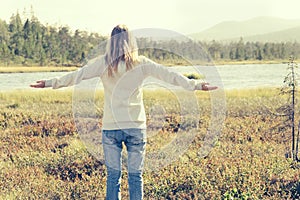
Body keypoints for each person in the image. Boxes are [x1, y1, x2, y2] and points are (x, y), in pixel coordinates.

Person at [30, 24, 217, 200]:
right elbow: (169, 75)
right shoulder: (141, 63)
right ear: (131, 42)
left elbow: (76, 76)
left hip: (111, 128)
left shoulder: (104, 63)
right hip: (136, 127)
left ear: (111, 41)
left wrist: (49, 83)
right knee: (136, 176)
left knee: (113, 176)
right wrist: (197, 85)